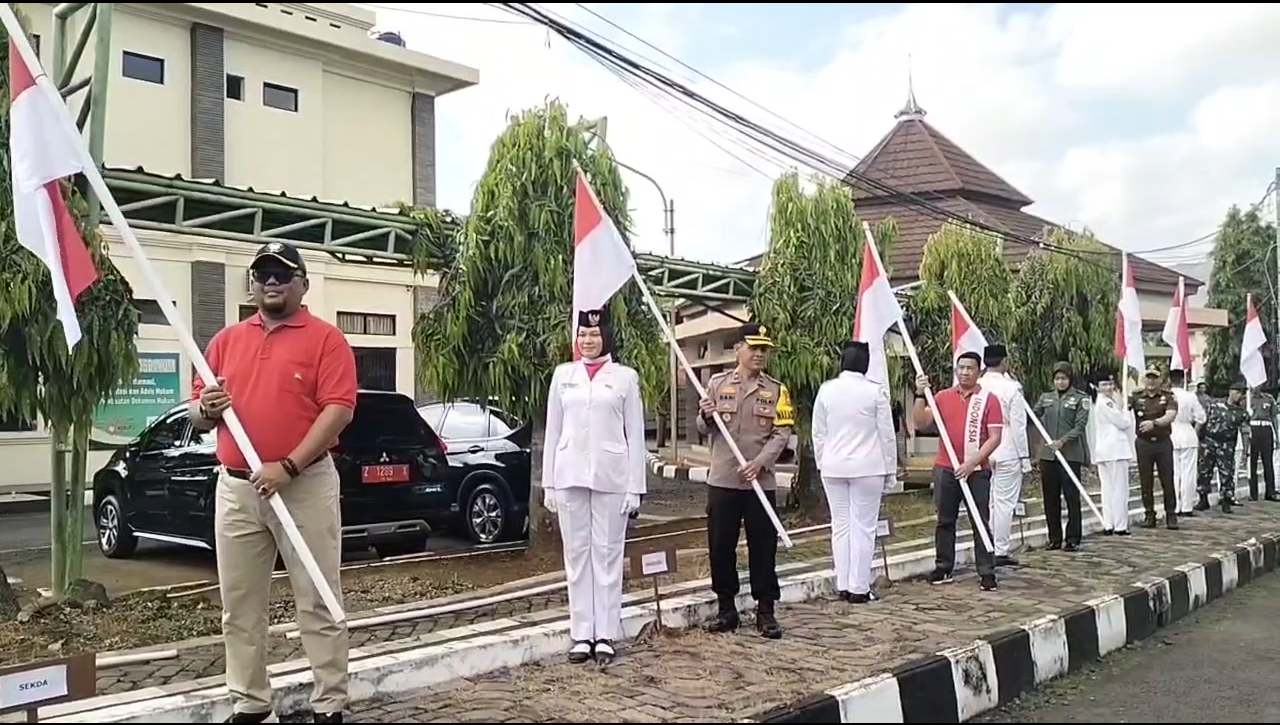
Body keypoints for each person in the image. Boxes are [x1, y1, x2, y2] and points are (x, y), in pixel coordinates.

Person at [191, 241, 356, 724]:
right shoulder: (225, 341)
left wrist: (288, 465)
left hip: (302, 485)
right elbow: (197, 413)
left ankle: (330, 702)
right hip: (238, 488)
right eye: (262, 274)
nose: (271, 282)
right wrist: (206, 409)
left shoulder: (326, 340)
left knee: (318, 597)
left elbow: (339, 410)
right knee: (239, 604)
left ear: (302, 283)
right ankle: (250, 701)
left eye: (282, 274)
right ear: (252, 283)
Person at [541, 307, 646, 665]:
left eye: (595, 335)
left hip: (611, 476)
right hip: (569, 474)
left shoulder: (625, 378)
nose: (588, 341)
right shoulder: (563, 375)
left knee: (607, 555)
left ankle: (606, 633)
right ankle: (581, 633)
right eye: (583, 335)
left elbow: (636, 434)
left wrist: (635, 486)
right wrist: (549, 484)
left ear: (607, 337)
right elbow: (553, 431)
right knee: (577, 556)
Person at [696, 323, 794, 638]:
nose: (759, 354)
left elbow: (782, 434)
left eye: (764, 349)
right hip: (724, 478)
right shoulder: (716, 384)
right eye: (754, 347)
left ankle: (765, 611)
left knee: (763, 547)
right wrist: (707, 414)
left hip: (760, 483)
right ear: (738, 349)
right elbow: (703, 427)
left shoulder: (777, 390)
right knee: (721, 545)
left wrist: (760, 463)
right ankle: (727, 609)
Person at [811, 341, 896, 604]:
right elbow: (887, 435)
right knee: (864, 527)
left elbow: (819, 432)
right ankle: (859, 588)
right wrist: (891, 470)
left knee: (841, 525)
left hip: (833, 467)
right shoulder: (875, 392)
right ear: (866, 364)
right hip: (867, 467)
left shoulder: (826, 390)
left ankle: (844, 583)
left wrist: (822, 462)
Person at [912, 351, 1002, 591]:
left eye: (970, 368)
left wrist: (973, 462)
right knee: (945, 520)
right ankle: (943, 566)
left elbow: (995, 438)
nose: (964, 372)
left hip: (977, 471)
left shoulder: (989, 400)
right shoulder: (942, 396)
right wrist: (920, 393)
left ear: (979, 371)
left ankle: (986, 570)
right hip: (946, 468)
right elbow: (921, 422)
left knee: (980, 520)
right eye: (961, 368)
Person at [977, 344, 1030, 566]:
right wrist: (1025, 458)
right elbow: (1019, 426)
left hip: (981, 447)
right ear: (1004, 362)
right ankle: (1000, 549)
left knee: (989, 500)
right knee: (1004, 503)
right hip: (1007, 445)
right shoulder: (1011, 388)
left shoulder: (976, 386)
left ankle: (987, 545)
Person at [1032, 362, 1090, 551]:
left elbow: (1080, 426)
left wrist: (1063, 441)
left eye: (1063, 378)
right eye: (1057, 379)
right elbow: (1034, 415)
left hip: (1070, 454)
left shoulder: (1081, 399)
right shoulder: (1045, 398)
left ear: (1070, 379)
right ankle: (1054, 538)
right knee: (1050, 498)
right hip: (1048, 455)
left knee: (1071, 497)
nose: (1060, 382)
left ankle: (1072, 537)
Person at [1129, 365, 1179, 529]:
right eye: (1148, 377)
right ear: (1144, 379)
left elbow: (1170, 415)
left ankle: (1171, 515)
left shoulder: (1167, 396)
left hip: (1162, 442)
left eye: (1154, 377)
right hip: (1143, 443)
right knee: (1145, 480)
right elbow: (1122, 408)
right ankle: (1149, 514)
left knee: (1167, 479)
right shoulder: (1136, 396)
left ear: (1160, 379)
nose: (1151, 381)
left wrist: (1154, 423)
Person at [1086, 369, 1135, 535]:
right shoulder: (1105, 402)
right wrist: (1125, 411)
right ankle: (1119, 525)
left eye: (1110, 384)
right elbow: (1123, 423)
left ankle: (1110, 523)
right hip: (1115, 450)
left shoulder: (1102, 402)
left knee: (1108, 488)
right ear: (1097, 387)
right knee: (1119, 488)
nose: (1108, 387)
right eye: (1104, 384)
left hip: (1106, 450)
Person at [1197, 380, 1251, 513]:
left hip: (1226, 444)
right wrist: (1199, 439)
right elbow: (1202, 420)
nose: (1239, 395)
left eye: (1242, 393)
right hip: (1209, 441)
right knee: (1204, 471)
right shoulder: (1214, 404)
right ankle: (1203, 498)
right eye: (1237, 392)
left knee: (1226, 473)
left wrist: (1245, 450)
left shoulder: (1241, 412)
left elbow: (1245, 431)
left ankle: (1226, 500)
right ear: (1230, 391)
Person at [1167, 369, 1206, 517]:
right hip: (1187, 432)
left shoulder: (1166, 395)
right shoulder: (1190, 397)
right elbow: (1201, 417)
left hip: (1171, 433)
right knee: (1188, 473)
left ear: (1170, 380)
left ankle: (1175, 506)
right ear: (1183, 380)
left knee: (1174, 472)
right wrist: (1195, 431)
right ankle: (1187, 506)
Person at [1247, 385, 1279, 501]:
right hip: (1253, 429)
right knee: (1252, 462)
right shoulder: (1248, 399)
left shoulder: (1269, 398)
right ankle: (1253, 493)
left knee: (1268, 462)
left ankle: (1270, 492)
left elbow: (1274, 417)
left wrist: (1276, 435)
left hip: (1266, 429)